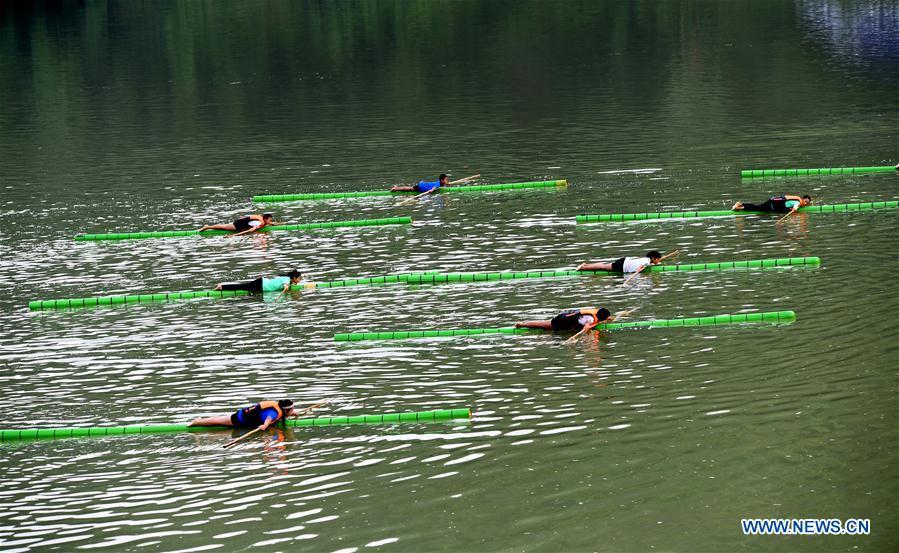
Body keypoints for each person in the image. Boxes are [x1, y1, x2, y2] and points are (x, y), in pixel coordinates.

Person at [188, 399, 297, 430]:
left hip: (243, 415)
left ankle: (199, 420)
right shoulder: (274, 413)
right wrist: (265, 426)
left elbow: (271, 415)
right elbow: (269, 418)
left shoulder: (277, 408)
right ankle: (197, 422)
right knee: (218, 421)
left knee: (220, 419)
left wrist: (291, 415)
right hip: (240, 419)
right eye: (291, 410)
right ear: (285, 410)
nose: (293, 411)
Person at [514, 307, 616, 332]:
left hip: (565, 315)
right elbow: (586, 327)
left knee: (541, 324)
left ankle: (522, 324)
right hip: (562, 322)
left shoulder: (595, 311)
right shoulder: (590, 319)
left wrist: (607, 319)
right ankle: (522, 325)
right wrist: (588, 329)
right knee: (542, 327)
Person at [214, 269, 309, 294]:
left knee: (243, 287)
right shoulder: (287, 279)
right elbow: (285, 284)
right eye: (299, 278)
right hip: (261, 285)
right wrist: (286, 287)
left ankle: (222, 286)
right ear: (294, 278)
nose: (300, 280)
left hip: (262, 283)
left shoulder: (289, 280)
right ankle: (221, 287)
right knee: (242, 287)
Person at [576, 250, 665, 273]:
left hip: (625, 261)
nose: (658, 261)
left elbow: (645, 264)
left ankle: (586, 265)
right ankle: (583, 268)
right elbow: (639, 268)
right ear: (653, 258)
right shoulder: (646, 262)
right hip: (623, 265)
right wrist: (639, 270)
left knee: (604, 266)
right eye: (658, 259)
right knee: (603, 267)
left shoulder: (647, 260)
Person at [198, 213, 282, 236]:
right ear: (265, 219)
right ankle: (207, 227)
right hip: (239, 224)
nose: (270, 222)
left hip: (243, 222)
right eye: (269, 220)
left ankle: (207, 227)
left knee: (224, 227)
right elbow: (250, 230)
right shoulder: (259, 222)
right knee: (224, 227)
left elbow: (270, 223)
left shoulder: (261, 217)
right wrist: (234, 235)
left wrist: (278, 224)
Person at [731, 194, 812, 214]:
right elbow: (796, 205)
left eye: (807, 203)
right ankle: (738, 206)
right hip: (773, 204)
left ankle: (740, 204)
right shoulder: (798, 201)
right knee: (756, 208)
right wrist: (795, 209)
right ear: (803, 199)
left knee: (757, 207)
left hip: (774, 203)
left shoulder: (798, 200)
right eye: (805, 201)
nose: (805, 203)